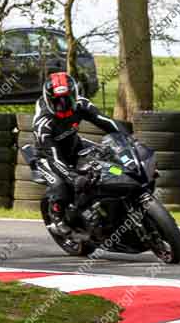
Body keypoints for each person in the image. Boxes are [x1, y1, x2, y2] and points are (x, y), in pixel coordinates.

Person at [32, 72, 125, 236]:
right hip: (47, 157)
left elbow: (106, 122)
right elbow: (54, 157)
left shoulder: (82, 104)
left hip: (75, 147)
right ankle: (57, 216)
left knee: (110, 165)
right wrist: (73, 177)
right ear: (48, 99)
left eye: (67, 99)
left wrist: (126, 139)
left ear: (75, 95)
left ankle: (112, 204)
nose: (63, 105)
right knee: (61, 185)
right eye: (57, 101)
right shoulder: (43, 124)